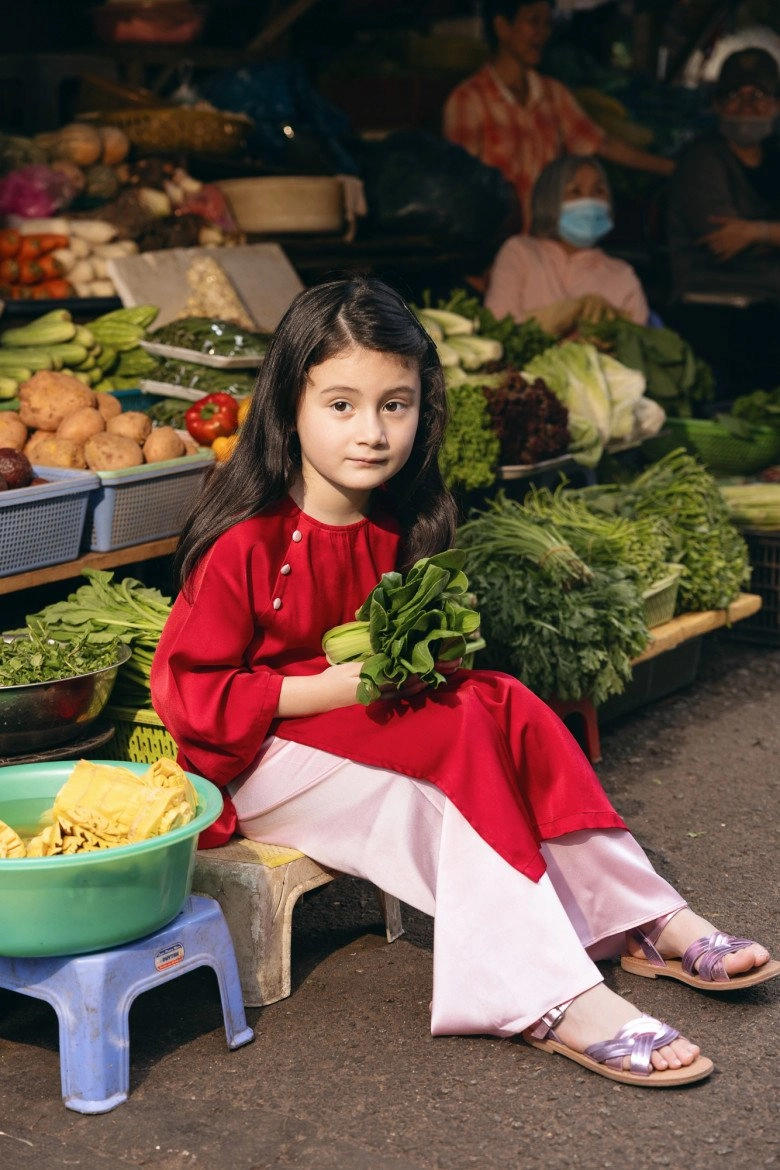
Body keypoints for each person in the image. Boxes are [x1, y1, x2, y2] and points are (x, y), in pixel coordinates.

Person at [150, 276, 778, 1089]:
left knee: (505, 701)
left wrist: (420, 666)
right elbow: (190, 695)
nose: (371, 433)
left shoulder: (400, 525)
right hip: (255, 760)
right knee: (447, 758)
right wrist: (340, 688)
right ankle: (548, 994)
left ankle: (647, 917)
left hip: (356, 732)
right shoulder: (247, 541)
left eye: (395, 405)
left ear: (425, 407)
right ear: (288, 407)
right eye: (340, 405)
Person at [442, 0, 673, 229]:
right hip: (497, 252)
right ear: (502, 27)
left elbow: (603, 144)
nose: (543, 33)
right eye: (534, 22)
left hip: (547, 249)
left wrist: (672, 168)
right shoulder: (468, 100)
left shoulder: (554, 94)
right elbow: (463, 190)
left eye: (547, 24)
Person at [485, 153, 650, 334]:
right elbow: (498, 327)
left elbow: (636, 346)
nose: (589, 201)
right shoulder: (520, 252)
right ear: (549, 200)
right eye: (575, 192)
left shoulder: (624, 277)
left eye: (599, 191)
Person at [667, 46, 780, 304]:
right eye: (734, 95)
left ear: (776, 105)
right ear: (718, 105)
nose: (747, 106)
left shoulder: (775, 154)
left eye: (759, 95)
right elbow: (726, 244)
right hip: (715, 298)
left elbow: (747, 239)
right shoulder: (701, 161)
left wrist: (757, 232)